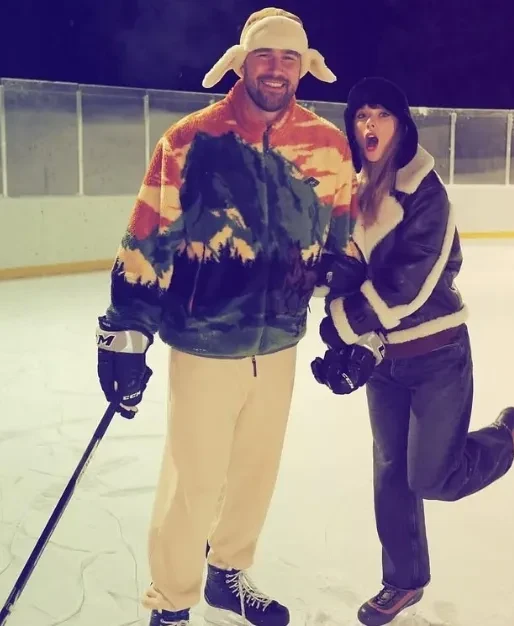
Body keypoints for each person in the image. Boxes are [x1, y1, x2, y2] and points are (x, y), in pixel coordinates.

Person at [95, 8, 360, 626]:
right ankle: (171, 601)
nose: (276, 69)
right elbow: (148, 238)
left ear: (304, 68)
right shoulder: (189, 141)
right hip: (204, 343)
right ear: (242, 63)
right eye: (264, 56)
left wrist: (350, 321)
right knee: (192, 482)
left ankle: (227, 574)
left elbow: (341, 246)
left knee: (253, 474)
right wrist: (124, 335)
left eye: (288, 58)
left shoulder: (328, 145)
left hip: (280, 342)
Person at [311, 76, 514, 626]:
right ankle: (403, 581)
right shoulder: (354, 189)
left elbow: (408, 284)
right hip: (385, 358)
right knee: (390, 474)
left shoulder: (427, 193)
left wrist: (343, 324)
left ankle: (508, 436)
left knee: (433, 478)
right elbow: (348, 266)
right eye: (361, 116)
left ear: (401, 125)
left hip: (437, 355)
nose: (369, 125)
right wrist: (344, 322)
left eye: (381, 115)